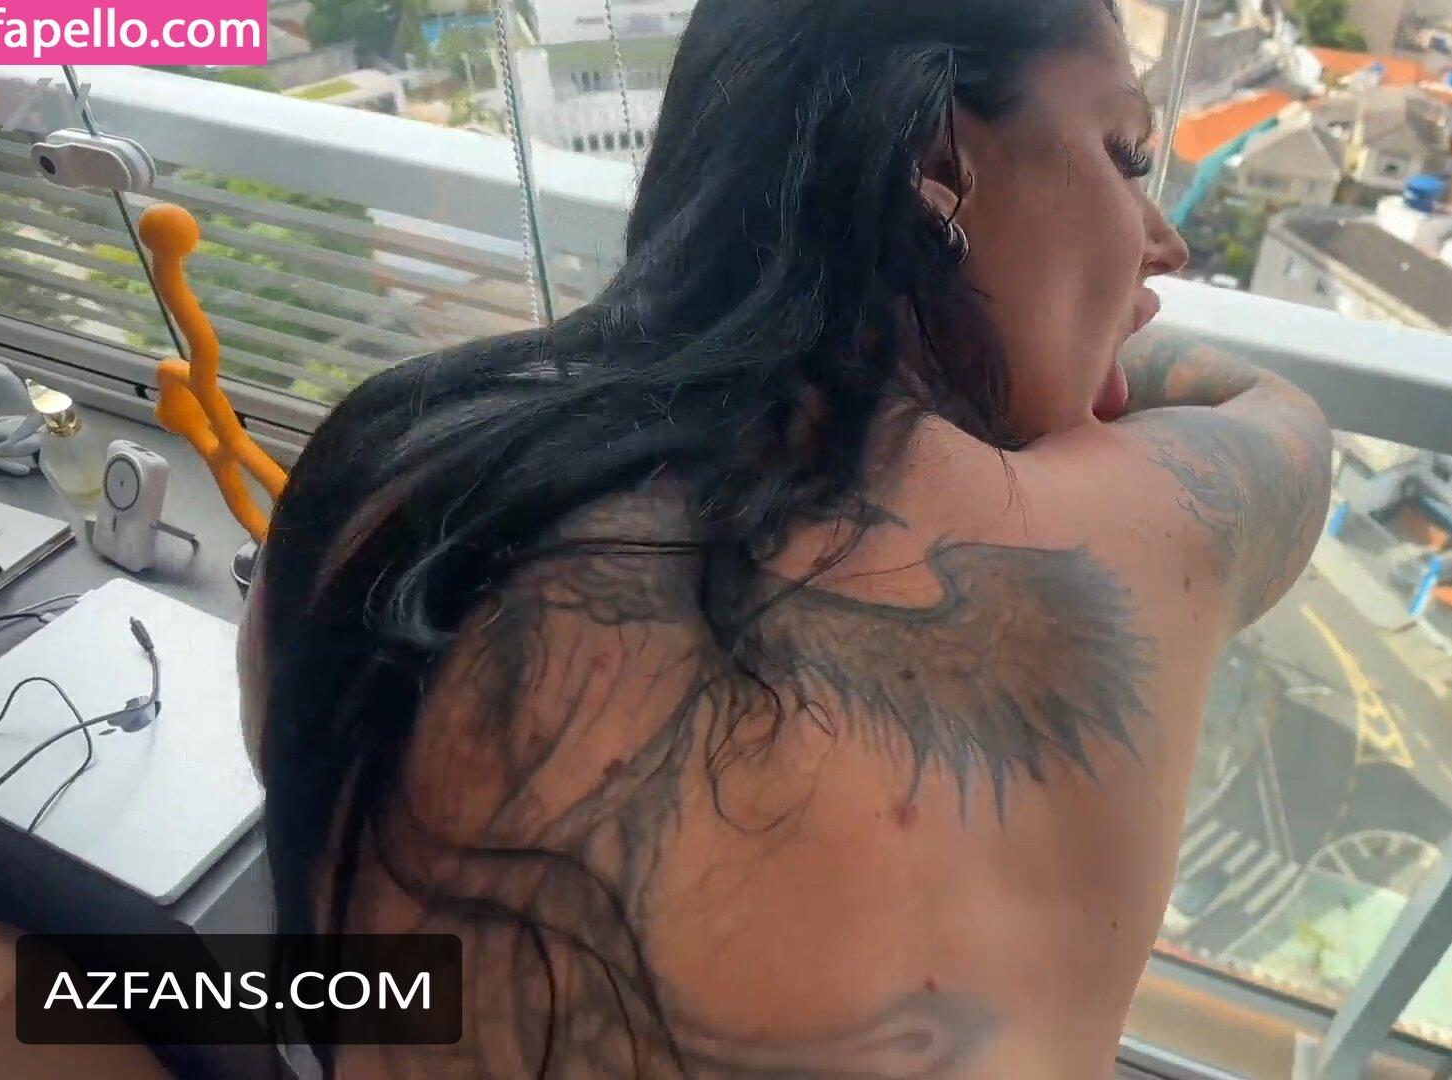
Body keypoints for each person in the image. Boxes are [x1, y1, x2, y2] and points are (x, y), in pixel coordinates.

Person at [242, 0, 1331, 1075]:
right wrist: (1088, 336)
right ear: (939, 165)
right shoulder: (1107, 553)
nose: (1164, 244)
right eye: (1125, 156)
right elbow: (1281, 421)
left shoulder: (390, 467)